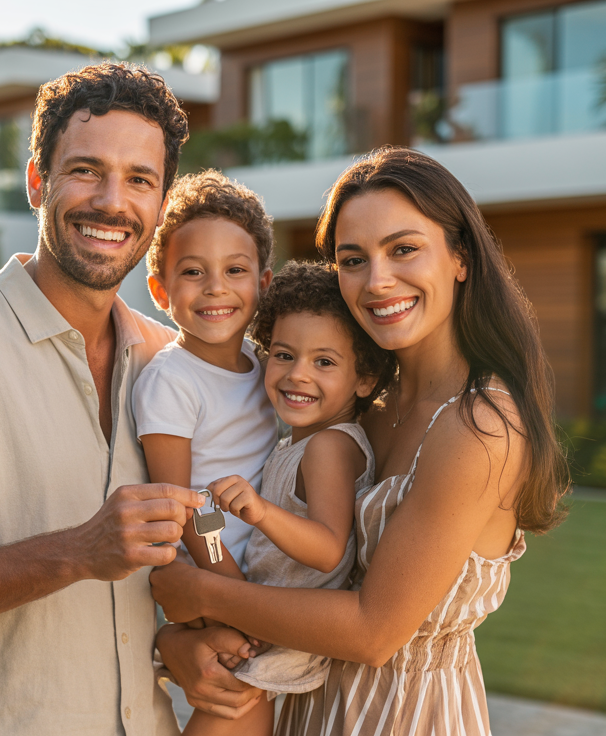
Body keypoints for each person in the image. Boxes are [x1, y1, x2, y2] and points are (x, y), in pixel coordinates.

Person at [0, 61, 235, 736]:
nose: (112, 202)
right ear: (38, 182)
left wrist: (175, 644)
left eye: (140, 180)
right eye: (86, 170)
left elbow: (155, 575)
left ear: (160, 203)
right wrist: (76, 551)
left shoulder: (167, 362)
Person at [151, 146, 570, 735]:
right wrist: (183, 639)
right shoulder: (363, 404)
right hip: (306, 698)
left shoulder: (480, 428)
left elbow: (374, 632)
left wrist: (199, 593)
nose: (377, 281)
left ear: (460, 257)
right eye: (353, 259)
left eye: (404, 249)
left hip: (401, 715)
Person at [191, 261, 396, 736]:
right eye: (283, 355)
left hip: (282, 639)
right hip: (262, 626)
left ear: (365, 379)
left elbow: (327, 550)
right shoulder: (297, 443)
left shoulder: (329, 447)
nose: (297, 374)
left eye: (324, 362)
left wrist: (260, 512)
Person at [134, 169, 278, 586]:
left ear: (262, 284)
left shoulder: (263, 363)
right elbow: (182, 507)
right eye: (194, 272)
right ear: (161, 293)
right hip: (213, 578)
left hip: (267, 567)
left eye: (235, 270)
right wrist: (232, 595)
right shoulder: (171, 382)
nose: (216, 288)